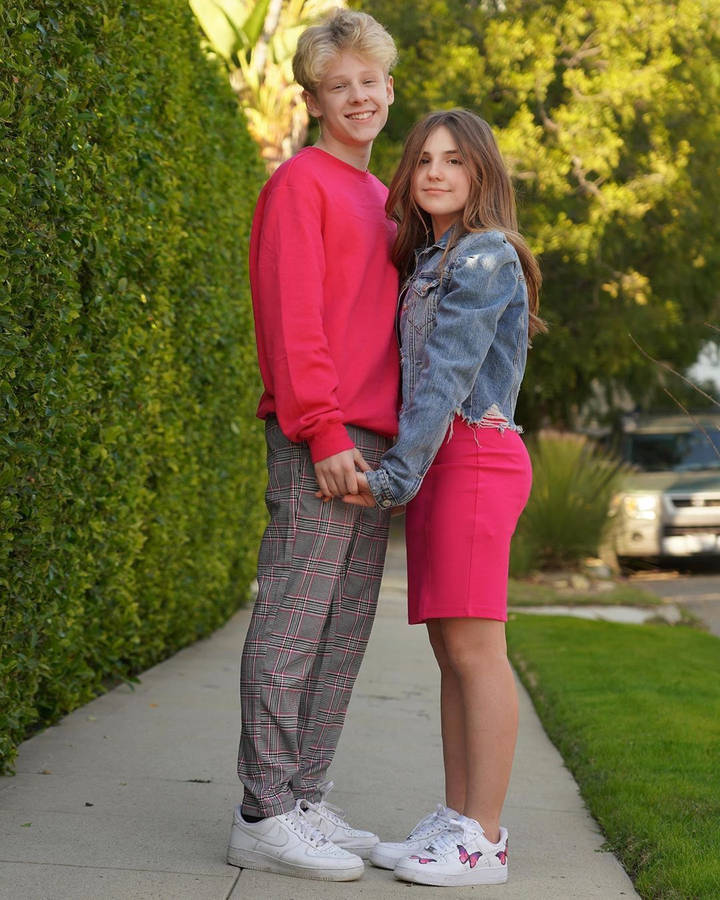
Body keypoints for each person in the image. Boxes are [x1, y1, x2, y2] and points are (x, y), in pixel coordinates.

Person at [338, 108, 545, 887]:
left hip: (471, 458)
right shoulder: (434, 258)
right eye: (423, 159)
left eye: (453, 161)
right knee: (450, 654)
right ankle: (458, 822)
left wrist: (394, 474)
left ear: (481, 173)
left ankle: (483, 839)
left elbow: (448, 375)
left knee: (476, 653)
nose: (434, 173)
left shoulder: (486, 257)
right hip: (442, 462)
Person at [225, 9, 400, 883]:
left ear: (390, 87)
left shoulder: (383, 197)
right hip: (320, 437)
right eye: (341, 87)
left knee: (342, 629)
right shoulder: (301, 185)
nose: (359, 97)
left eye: (370, 82)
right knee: (295, 620)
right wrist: (325, 430)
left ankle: (304, 796)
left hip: (379, 442)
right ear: (315, 99)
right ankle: (261, 810)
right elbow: (291, 318)